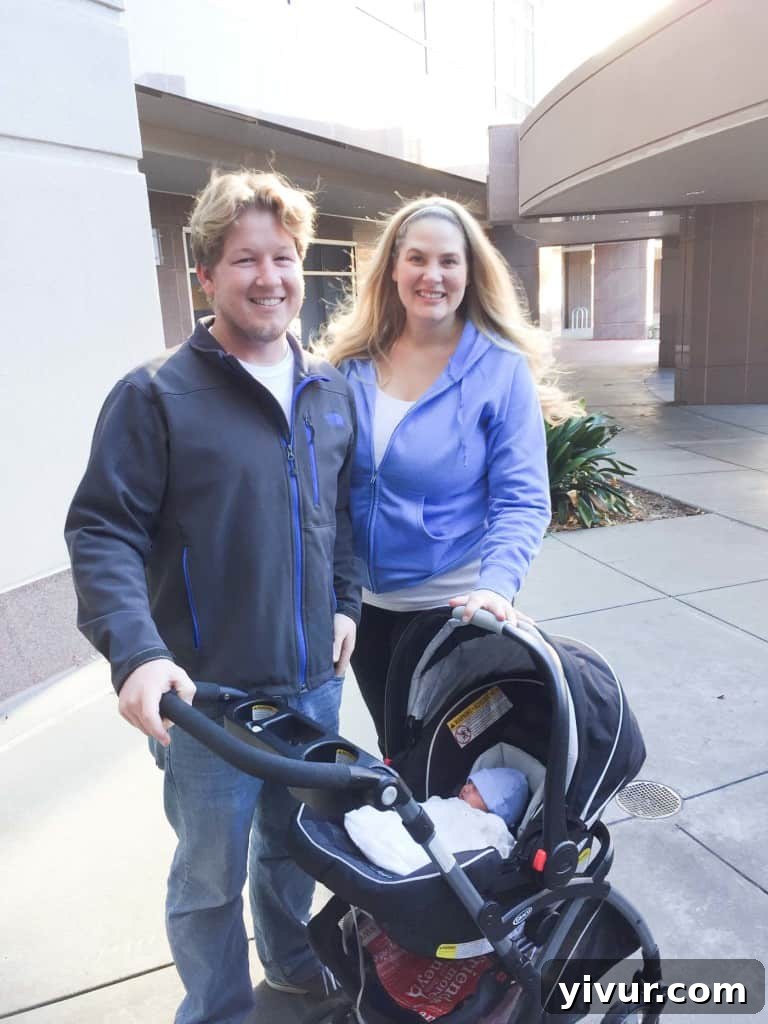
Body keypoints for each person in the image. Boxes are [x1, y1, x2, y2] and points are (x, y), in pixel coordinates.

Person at [65, 169, 361, 1023]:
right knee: (209, 877)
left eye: (283, 257)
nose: (268, 278)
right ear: (206, 276)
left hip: (312, 685)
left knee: (296, 849)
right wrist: (137, 652)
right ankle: (218, 1010)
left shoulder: (328, 389)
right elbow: (103, 531)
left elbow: (342, 513)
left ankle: (292, 964)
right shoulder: (155, 394)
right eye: (244, 260)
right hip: (208, 702)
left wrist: (345, 600)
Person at [321, 196, 579, 748]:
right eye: (417, 258)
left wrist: (496, 587)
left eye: (448, 261)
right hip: (365, 610)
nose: (431, 275)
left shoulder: (499, 368)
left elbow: (522, 499)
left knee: (452, 764)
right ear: (393, 267)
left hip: (455, 612)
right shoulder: (352, 362)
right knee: (397, 753)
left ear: (469, 271)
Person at [344, 766, 529, 875]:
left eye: (476, 790)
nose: (466, 788)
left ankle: (388, 844)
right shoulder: (453, 804)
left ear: (497, 806)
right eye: (469, 783)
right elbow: (431, 809)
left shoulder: (493, 824)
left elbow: (503, 850)